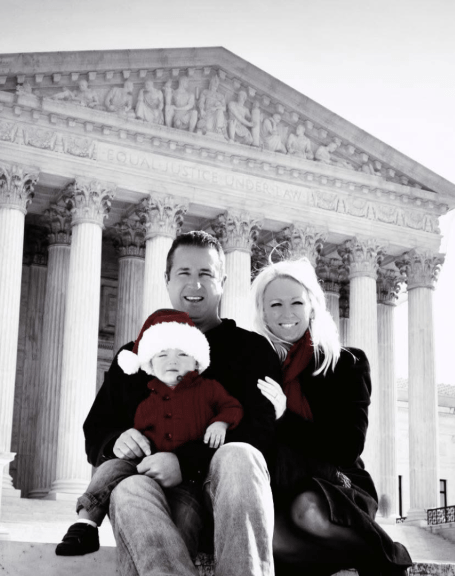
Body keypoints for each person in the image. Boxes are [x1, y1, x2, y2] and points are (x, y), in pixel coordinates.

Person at [83, 230, 282, 575]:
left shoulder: (251, 351)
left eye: (206, 274)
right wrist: (117, 441)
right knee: (128, 488)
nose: (196, 284)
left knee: (240, 455)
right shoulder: (134, 356)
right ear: (167, 280)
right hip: (154, 497)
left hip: (231, 495)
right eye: (184, 274)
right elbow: (96, 430)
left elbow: (260, 432)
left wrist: (185, 463)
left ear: (222, 280)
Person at [251, 259, 413, 576]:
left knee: (308, 511)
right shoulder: (256, 368)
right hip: (280, 485)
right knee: (271, 541)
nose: (287, 313)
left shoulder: (345, 363)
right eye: (276, 304)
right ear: (263, 312)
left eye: (297, 302)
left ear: (312, 306)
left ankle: (386, 558)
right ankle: (345, 559)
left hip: (340, 486)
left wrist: (285, 416)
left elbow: (347, 446)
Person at [57, 308, 243, 556]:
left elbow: (232, 407)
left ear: (197, 361)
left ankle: (179, 568)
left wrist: (220, 423)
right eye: (162, 354)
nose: (172, 360)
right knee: (110, 468)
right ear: (150, 365)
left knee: (185, 517)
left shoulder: (209, 389)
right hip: (142, 467)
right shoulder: (146, 400)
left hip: (188, 480)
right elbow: (120, 431)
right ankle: (86, 523)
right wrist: (123, 442)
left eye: (183, 354)